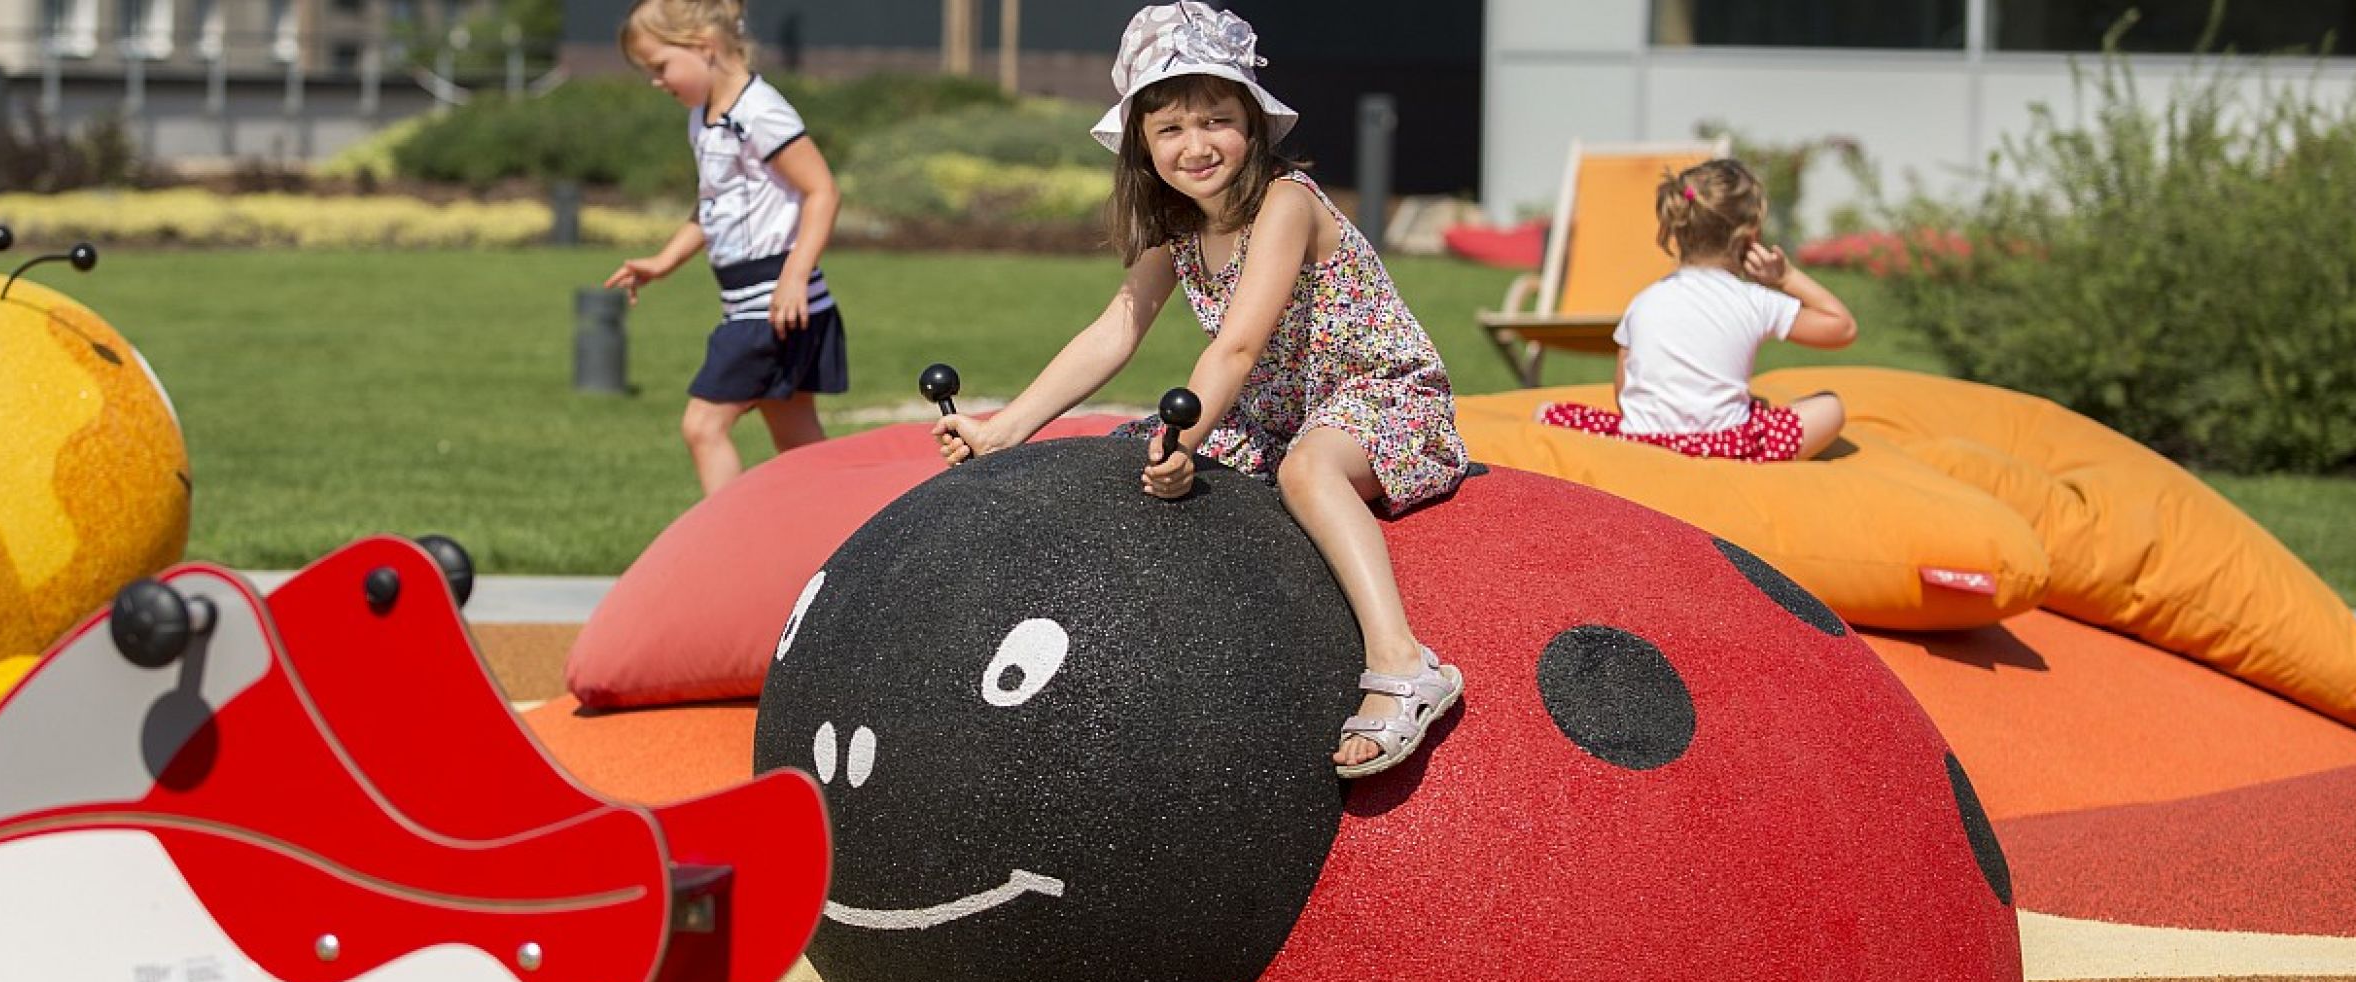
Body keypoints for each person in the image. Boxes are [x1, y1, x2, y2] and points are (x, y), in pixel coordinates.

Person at [932, 2, 1470, 779]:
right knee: (1121, 459)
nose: (1196, 146)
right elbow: (1116, 328)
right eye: (1171, 130)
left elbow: (1240, 345)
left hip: (1381, 399)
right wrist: (1004, 429)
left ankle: (1403, 661)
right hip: (1277, 415)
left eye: (1216, 120)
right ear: (1142, 146)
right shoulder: (1177, 228)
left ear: (1252, 125)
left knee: (1305, 472)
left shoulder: (1288, 203)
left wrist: (1184, 441)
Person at [606, 0, 847, 497]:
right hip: (755, 303)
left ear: (704, 47)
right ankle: (841, 540)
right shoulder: (705, 116)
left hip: (774, 305)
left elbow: (822, 190)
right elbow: (710, 205)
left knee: (703, 426)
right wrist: (663, 262)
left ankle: (729, 546)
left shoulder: (759, 112)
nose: (656, 81)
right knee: (798, 441)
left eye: (660, 66)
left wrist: (795, 275)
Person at [1534, 158, 1860, 461]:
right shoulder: (1754, 299)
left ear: (1678, 229)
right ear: (1751, 236)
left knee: (1545, 411)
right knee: (1830, 406)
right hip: (1726, 446)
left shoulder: (1644, 300)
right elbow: (1841, 327)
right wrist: (1787, 277)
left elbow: (1624, 393)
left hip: (1642, 441)